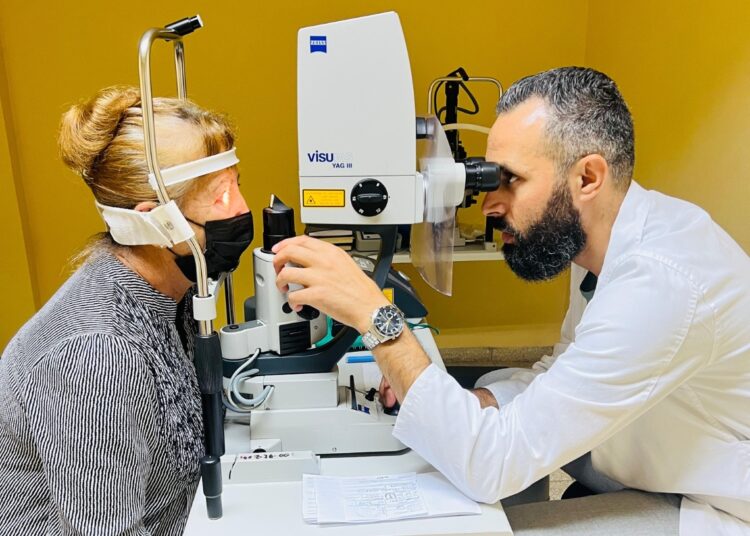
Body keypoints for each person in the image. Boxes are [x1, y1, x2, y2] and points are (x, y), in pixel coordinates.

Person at [271, 67, 750, 535]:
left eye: (511, 180)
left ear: (587, 177)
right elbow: (561, 375)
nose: (489, 205)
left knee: (490, 524)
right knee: (488, 431)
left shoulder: (659, 284)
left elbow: (491, 465)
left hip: (711, 506)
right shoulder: (603, 246)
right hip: (646, 470)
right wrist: (477, 401)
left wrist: (375, 316)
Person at [0, 86, 252, 534]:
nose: (241, 209)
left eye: (238, 185)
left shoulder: (171, 299)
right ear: (155, 220)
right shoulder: (100, 354)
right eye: (219, 195)